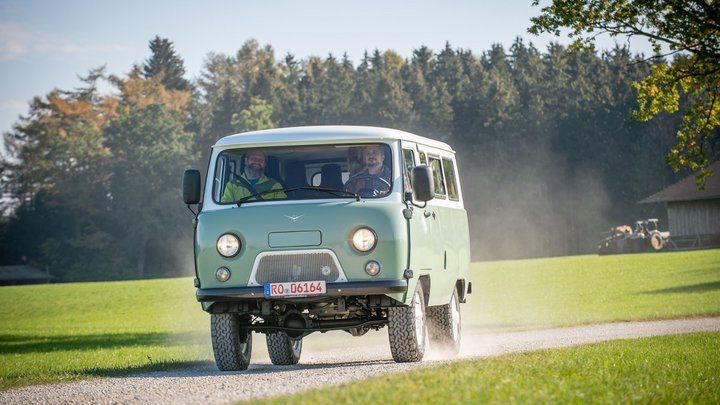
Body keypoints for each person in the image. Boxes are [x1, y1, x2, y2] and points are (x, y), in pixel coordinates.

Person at [221, 149, 286, 203]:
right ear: (246, 161)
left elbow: (280, 209)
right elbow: (225, 209)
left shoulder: (275, 185)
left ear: (265, 164)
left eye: (261, 159)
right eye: (253, 158)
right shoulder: (232, 185)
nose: (257, 161)